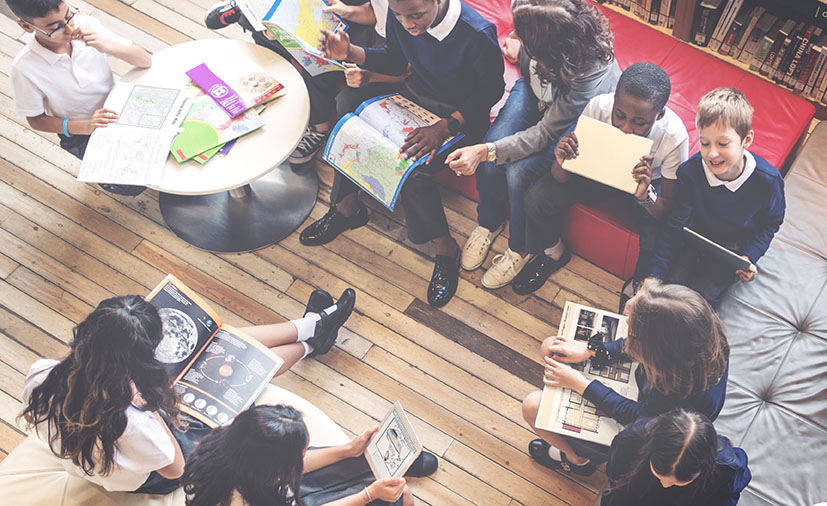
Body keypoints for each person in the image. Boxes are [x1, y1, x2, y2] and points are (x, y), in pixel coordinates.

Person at [19, 288, 356, 494]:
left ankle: (311, 326)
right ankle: (313, 340)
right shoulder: (136, 425)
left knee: (218, 346)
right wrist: (151, 407)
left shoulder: (42, 374)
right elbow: (176, 469)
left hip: (108, 441)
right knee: (231, 371)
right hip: (149, 474)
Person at [299, 0, 505, 308]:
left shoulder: (476, 33)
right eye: (398, 15)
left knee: (414, 165)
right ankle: (347, 207)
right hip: (413, 94)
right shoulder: (401, 11)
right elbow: (396, 60)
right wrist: (349, 52)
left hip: (458, 117)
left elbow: (491, 92)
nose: (408, 23)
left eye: (417, 15)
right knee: (348, 107)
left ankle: (445, 247)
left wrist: (444, 127)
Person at [445, 0, 620, 290]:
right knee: (494, 141)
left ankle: (521, 247)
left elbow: (543, 133)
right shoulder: (532, 16)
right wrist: (522, 55)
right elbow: (528, 59)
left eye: (526, 40)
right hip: (535, 90)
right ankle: (489, 222)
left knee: (518, 171)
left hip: (573, 118)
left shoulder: (590, 70)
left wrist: (484, 152)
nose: (517, 37)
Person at [513, 62, 689, 295]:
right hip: (601, 167)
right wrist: (561, 161)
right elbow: (560, 179)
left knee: (656, 236)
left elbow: (666, 208)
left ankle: (638, 289)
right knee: (537, 197)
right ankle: (554, 252)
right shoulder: (598, 107)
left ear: (660, 115)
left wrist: (645, 195)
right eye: (620, 115)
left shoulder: (674, 136)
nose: (626, 128)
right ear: (614, 101)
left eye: (639, 123)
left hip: (645, 183)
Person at [521, 280, 730, 475]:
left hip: (645, 429)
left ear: (656, 351)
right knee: (551, 346)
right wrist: (591, 350)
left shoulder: (679, 390)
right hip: (648, 397)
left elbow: (636, 415)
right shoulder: (699, 336)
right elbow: (638, 343)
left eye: (632, 327)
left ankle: (577, 459)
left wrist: (580, 384)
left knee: (532, 406)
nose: (626, 325)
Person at [204, 0, 403, 165]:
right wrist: (279, 22)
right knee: (261, 28)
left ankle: (319, 127)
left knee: (316, 58)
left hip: (361, 31)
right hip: (329, 11)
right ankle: (250, 10)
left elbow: (377, 16)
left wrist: (348, 13)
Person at [645, 87, 785, 307]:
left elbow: (771, 224)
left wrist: (749, 256)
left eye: (723, 143)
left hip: (731, 251)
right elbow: (675, 225)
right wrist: (651, 279)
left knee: (702, 299)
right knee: (669, 292)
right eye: (705, 143)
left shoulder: (767, 181)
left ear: (746, 140)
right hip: (693, 240)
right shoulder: (690, 172)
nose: (711, 154)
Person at [7, 0, 152, 196]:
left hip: (120, 109)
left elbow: (144, 60)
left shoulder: (87, 25)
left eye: (68, 15)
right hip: (80, 132)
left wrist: (104, 45)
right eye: (55, 27)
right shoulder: (24, 69)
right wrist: (86, 126)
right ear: (26, 26)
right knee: (131, 185)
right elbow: (35, 120)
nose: (69, 29)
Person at [183, 404, 439, 506]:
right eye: (300, 452)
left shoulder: (237, 444)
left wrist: (348, 449)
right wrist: (368, 495)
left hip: (278, 490)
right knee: (401, 497)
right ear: (276, 468)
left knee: (353, 457)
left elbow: (297, 466)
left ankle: (391, 461)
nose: (306, 452)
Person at [601, 409, 751, 506]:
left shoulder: (727, 466)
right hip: (637, 490)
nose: (666, 484)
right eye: (660, 475)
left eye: (677, 481)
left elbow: (728, 495)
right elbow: (616, 479)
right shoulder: (629, 443)